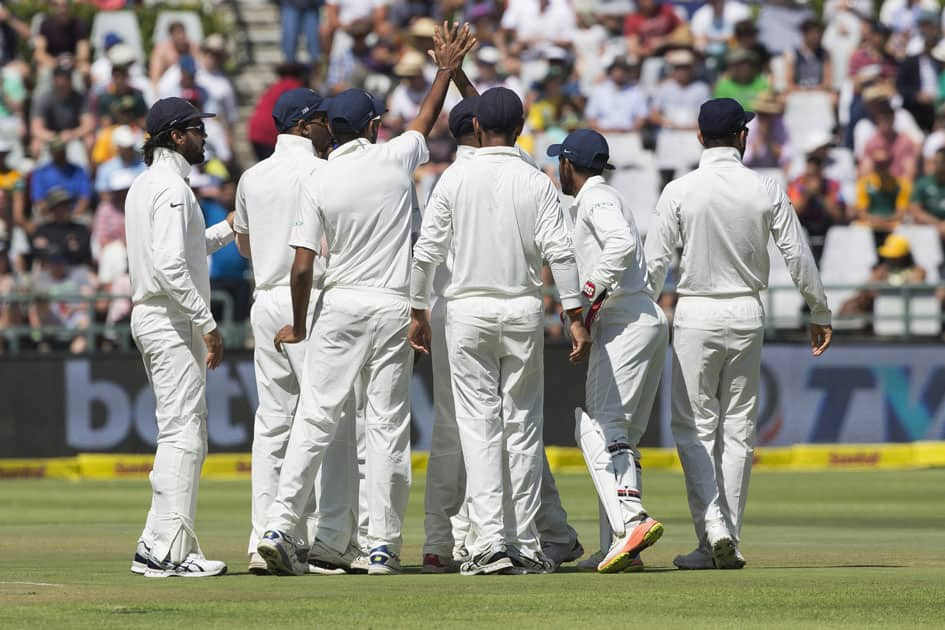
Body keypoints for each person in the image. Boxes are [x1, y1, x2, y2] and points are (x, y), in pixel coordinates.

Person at [257, 23, 475, 577]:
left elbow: (303, 265)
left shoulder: (321, 177)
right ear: (375, 126)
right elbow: (426, 118)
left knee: (316, 417)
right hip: (393, 306)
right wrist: (445, 69)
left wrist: (300, 324)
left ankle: (281, 527)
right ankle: (382, 547)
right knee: (387, 427)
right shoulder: (396, 157)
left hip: (342, 305)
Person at [409, 86, 591, 575]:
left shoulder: (452, 178)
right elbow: (562, 252)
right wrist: (574, 316)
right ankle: (525, 542)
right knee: (522, 425)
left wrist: (416, 309)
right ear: (521, 127)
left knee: (479, 427)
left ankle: (489, 541)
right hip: (521, 310)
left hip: (466, 311)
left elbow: (426, 253)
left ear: (474, 129)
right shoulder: (535, 180)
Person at [645, 98, 832, 570]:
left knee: (694, 429)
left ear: (700, 137)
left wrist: (640, 315)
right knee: (738, 431)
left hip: (696, 313)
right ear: (743, 137)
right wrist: (819, 309)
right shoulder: (764, 188)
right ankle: (724, 538)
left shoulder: (679, 189)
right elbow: (798, 255)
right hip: (747, 313)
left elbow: (652, 267)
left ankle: (714, 530)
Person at [234, 88, 366, 575]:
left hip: (265, 297)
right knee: (328, 417)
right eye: (325, 121)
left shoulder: (252, 176)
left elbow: (245, 248)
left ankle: (261, 536)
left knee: (273, 423)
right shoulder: (322, 171)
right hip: (308, 300)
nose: (331, 128)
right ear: (307, 124)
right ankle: (329, 539)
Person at [547, 129, 668, 574]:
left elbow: (620, 244)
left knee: (596, 426)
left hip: (624, 318)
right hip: (639, 317)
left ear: (567, 165)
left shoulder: (596, 199)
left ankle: (632, 520)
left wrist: (588, 295)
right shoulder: (602, 197)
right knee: (619, 436)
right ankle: (620, 546)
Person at [124, 97, 235, 578]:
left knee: (182, 431)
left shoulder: (147, 185)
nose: (204, 137)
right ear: (174, 136)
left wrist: (229, 228)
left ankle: (158, 542)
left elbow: (185, 250)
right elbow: (171, 266)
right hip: (169, 318)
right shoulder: (171, 189)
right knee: (184, 434)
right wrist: (207, 323)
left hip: (156, 315)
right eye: (196, 129)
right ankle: (168, 551)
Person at [839, 233, 928, 319]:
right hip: (882, 306)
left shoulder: (918, 270)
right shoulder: (883, 269)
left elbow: (915, 286)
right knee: (851, 303)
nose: (891, 259)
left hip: (906, 308)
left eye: (895, 257)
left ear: (904, 256)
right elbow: (868, 285)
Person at [910, 147, 945, 241]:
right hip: (928, 230)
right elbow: (915, 211)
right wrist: (937, 224)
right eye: (936, 161)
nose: (937, 165)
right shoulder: (923, 183)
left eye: (941, 162)